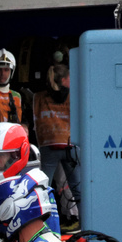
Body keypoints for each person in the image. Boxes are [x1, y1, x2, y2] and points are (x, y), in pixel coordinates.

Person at [33, 62, 81, 230]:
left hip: (48, 146)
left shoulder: (38, 97)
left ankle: (41, 224)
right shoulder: (74, 96)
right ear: (63, 79)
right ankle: (88, 223)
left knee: (42, 188)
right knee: (78, 189)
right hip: (71, 145)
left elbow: (35, 121)